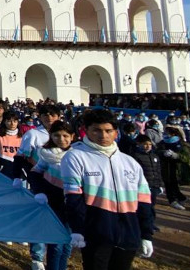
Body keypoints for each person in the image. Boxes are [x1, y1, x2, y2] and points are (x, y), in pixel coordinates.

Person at [61, 108, 153, 270]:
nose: (103, 136)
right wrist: (78, 229)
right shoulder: (75, 156)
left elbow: (144, 200)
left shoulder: (129, 162)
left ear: (116, 133)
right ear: (86, 130)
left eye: (108, 131)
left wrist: (146, 234)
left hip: (128, 233)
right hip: (96, 233)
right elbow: (73, 197)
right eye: (96, 130)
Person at [29, 120, 75, 270]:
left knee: (67, 242)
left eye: (65, 136)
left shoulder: (78, 155)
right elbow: (35, 173)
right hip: (54, 203)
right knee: (56, 244)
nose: (61, 139)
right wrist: (40, 191)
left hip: (72, 203)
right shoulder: (47, 154)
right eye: (57, 135)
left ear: (72, 136)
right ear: (51, 136)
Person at [155, 126, 190, 210]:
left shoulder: (181, 143)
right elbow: (156, 152)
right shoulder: (162, 143)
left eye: (167, 133)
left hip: (178, 168)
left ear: (173, 134)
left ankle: (181, 198)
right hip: (165, 167)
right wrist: (163, 153)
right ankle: (172, 200)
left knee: (174, 184)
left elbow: (186, 156)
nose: (165, 134)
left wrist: (177, 155)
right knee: (168, 184)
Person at [131, 135, 162, 233]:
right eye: (145, 144)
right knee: (143, 208)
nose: (148, 146)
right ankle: (142, 226)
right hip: (142, 187)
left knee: (152, 206)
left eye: (149, 144)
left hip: (154, 186)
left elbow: (158, 171)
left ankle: (151, 224)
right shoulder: (135, 157)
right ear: (139, 144)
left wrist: (159, 184)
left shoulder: (154, 156)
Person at [0, 110, 22, 178]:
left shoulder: (23, 137)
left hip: (18, 169)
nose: (12, 124)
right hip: (1, 169)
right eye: (9, 121)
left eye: (15, 121)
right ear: (4, 122)